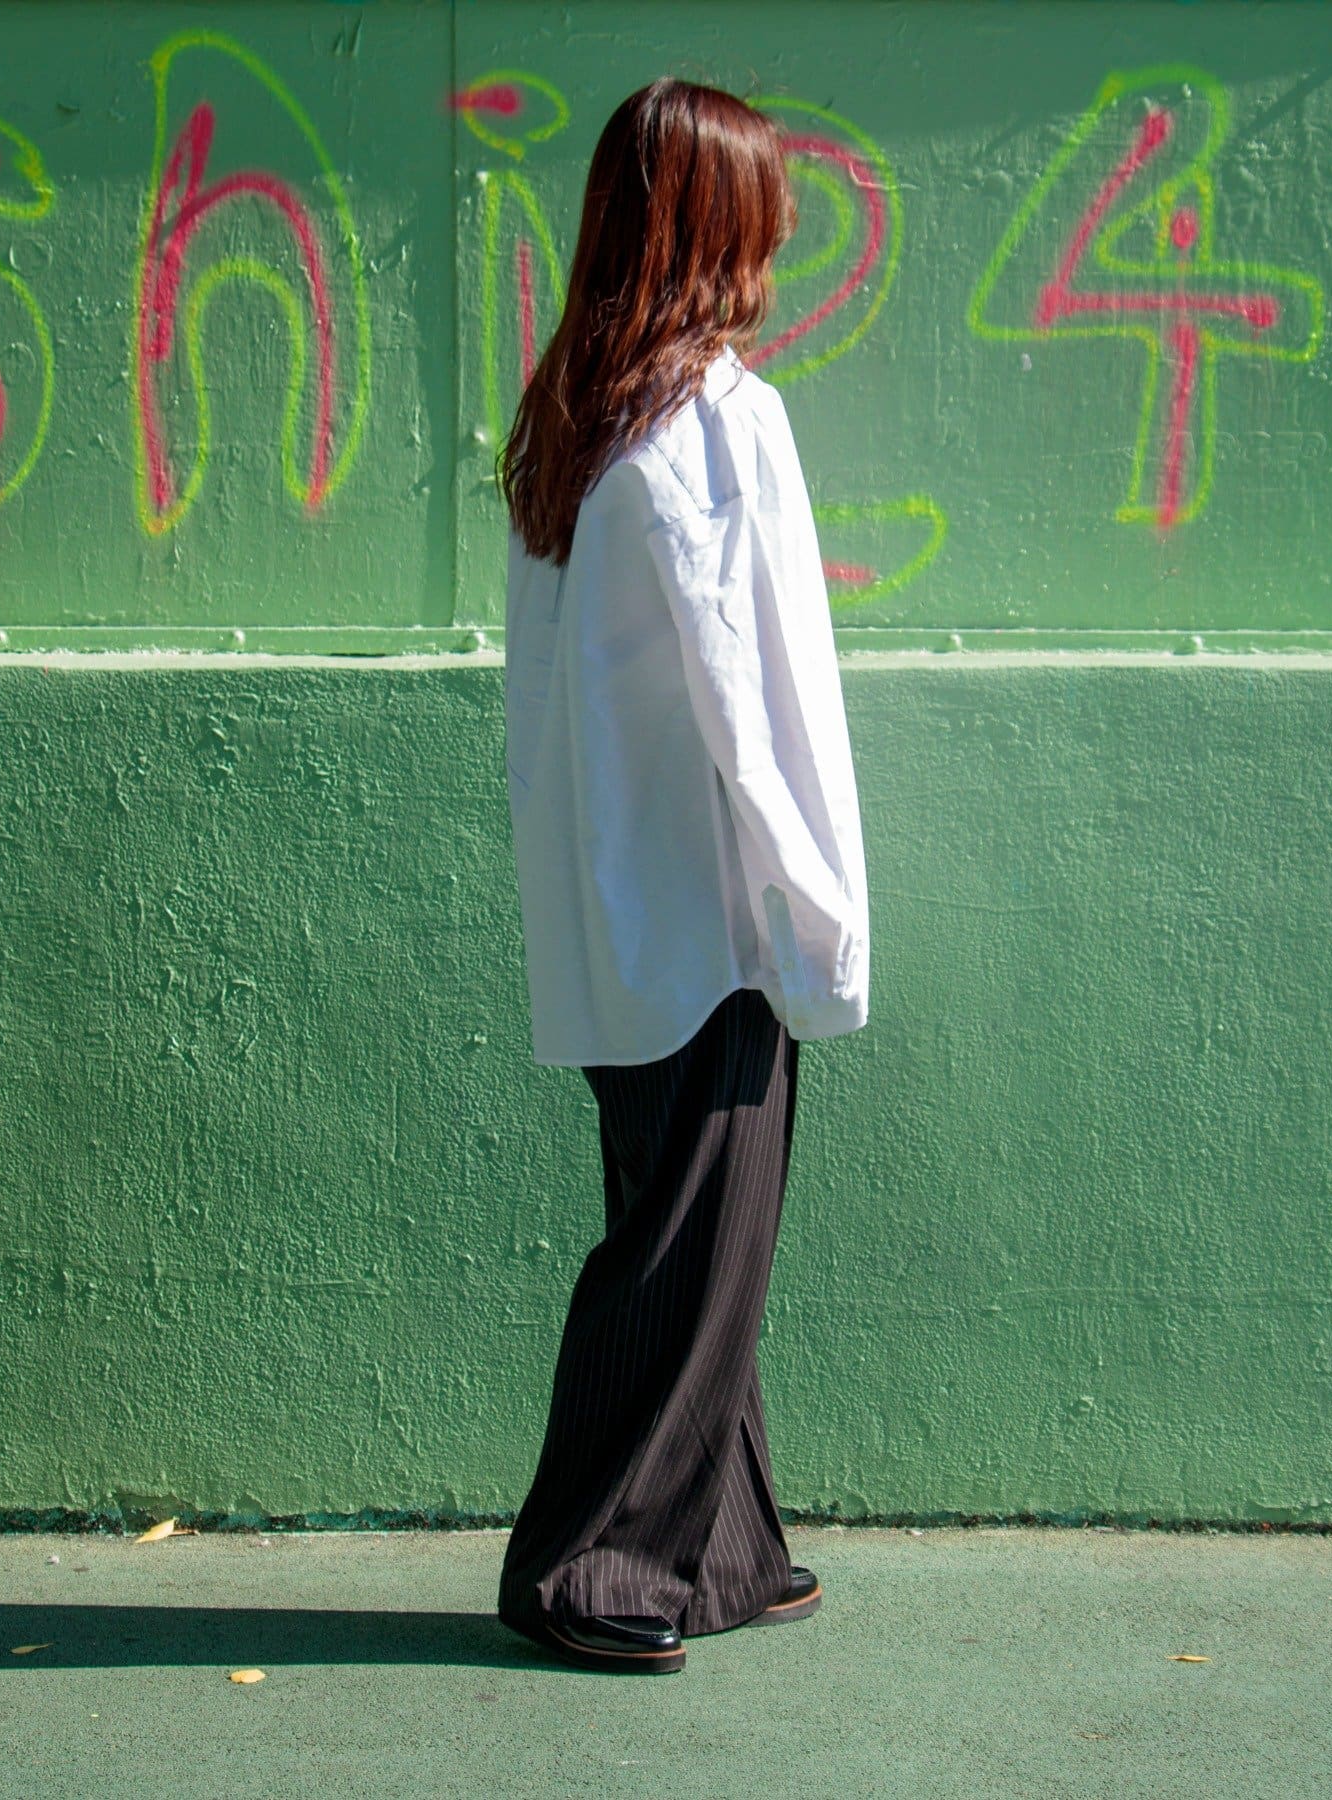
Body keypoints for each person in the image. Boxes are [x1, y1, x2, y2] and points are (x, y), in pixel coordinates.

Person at [494, 76, 869, 1676]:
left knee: (698, 1228)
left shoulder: (578, 414)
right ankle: (584, 1565)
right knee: (685, 1253)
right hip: (714, 914)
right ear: (725, 227)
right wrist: (813, 906)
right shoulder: (715, 418)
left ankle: (722, 1547)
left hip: (620, 906)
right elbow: (762, 700)